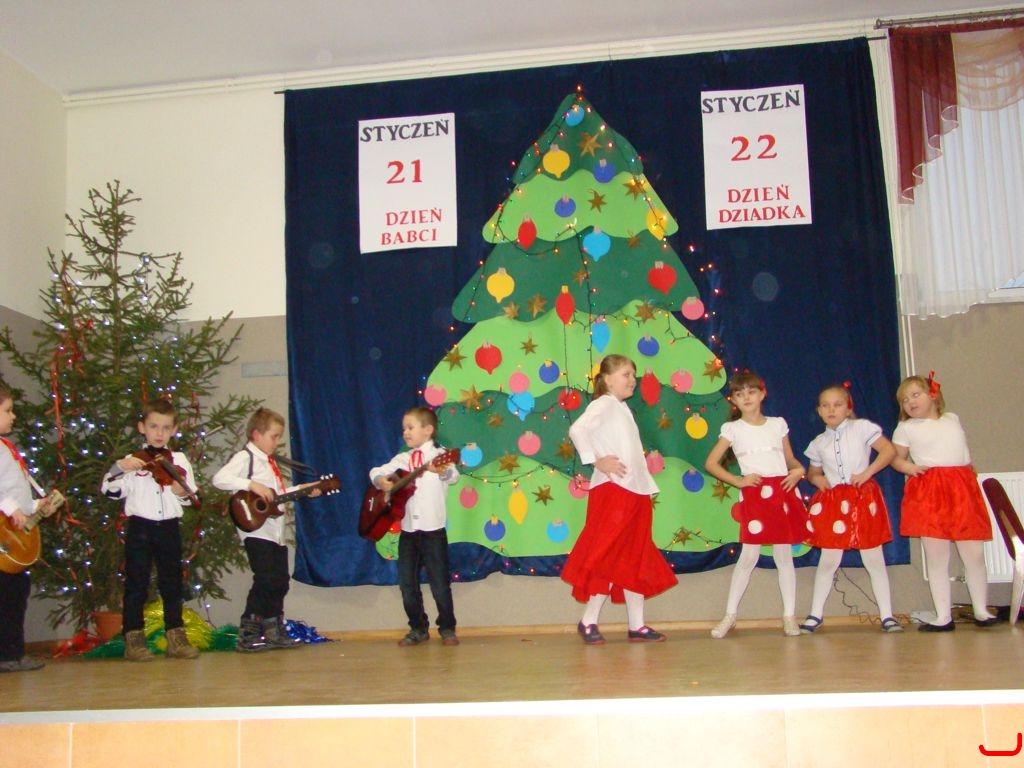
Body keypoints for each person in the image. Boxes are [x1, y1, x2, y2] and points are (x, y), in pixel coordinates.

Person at [562, 354, 677, 644]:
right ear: (607, 379)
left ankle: (636, 625)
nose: (632, 380)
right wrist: (596, 461)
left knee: (635, 555)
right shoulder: (603, 403)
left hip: (635, 491)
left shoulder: (621, 408)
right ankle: (588, 620)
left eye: (633, 375)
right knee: (608, 554)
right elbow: (577, 429)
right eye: (626, 374)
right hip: (615, 491)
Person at [704, 371, 808, 638]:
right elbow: (711, 463)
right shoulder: (733, 430)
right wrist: (738, 481)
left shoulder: (777, 424)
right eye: (739, 394)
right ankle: (730, 615)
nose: (746, 397)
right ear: (734, 400)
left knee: (784, 556)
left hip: (781, 492)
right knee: (748, 556)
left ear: (762, 394)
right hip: (755, 494)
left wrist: (798, 470)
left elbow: (790, 460)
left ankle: (789, 616)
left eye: (751, 392)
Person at [891, 372, 997, 632]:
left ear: (933, 395)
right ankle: (943, 616)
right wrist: (909, 468)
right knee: (936, 556)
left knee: (974, 553)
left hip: (961, 488)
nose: (910, 402)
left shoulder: (952, 419)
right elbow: (895, 458)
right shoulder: (906, 428)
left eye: (915, 395)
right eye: (905, 400)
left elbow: (961, 451)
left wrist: (967, 470)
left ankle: (981, 610)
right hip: (930, 490)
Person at [100, 398, 200, 661]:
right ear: (142, 427)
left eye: (166, 428)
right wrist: (120, 468)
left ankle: (176, 637)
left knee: (172, 583)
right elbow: (110, 490)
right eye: (154, 426)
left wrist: (181, 491)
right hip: (140, 527)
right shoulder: (133, 461)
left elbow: (191, 495)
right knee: (136, 583)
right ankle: (133, 638)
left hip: (169, 528)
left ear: (173, 430)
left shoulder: (179, 459)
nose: (159, 433)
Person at [799, 383, 901, 633]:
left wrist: (867, 472)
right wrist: (817, 479)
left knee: (873, 558)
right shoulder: (819, 442)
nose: (831, 410)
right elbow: (813, 472)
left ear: (847, 408)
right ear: (819, 411)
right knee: (828, 559)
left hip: (862, 497)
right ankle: (815, 614)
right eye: (825, 406)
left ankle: (887, 615)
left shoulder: (861, 428)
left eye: (837, 405)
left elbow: (888, 451)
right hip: (835, 502)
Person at [213, 407, 313, 652]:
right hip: (257, 532)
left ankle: (273, 629)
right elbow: (219, 479)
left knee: (280, 581)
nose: (277, 442)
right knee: (265, 579)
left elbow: (275, 497)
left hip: (275, 533)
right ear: (257, 435)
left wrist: (304, 489)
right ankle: (247, 632)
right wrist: (251, 484)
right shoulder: (245, 457)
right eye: (274, 436)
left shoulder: (269, 462)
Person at [369, 406, 460, 646]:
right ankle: (418, 628)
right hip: (408, 532)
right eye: (404, 429)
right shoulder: (403, 459)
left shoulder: (440, 455)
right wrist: (381, 481)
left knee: (440, 584)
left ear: (428, 430)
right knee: (407, 585)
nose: (406, 432)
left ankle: (447, 628)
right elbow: (376, 471)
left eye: (410, 427)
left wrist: (441, 471)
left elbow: (454, 476)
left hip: (433, 532)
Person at [0, 384, 59, 673]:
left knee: (15, 594)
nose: (13, 416)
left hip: (12, 537)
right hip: (3, 537)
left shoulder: (6, 449)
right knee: (6, 597)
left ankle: (12, 651)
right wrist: (11, 509)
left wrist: (37, 506)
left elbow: (16, 496)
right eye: (8, 410)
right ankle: (7, 654)